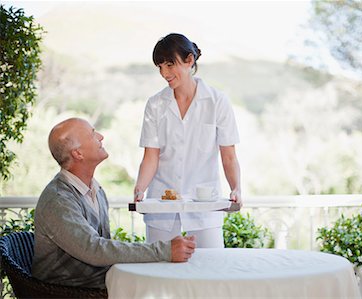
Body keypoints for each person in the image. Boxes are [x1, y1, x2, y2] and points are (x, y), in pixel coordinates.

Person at [32, 117, 196, 289]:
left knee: (168, 281)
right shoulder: (58, 200)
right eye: (92, 134)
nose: (101, 137)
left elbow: (101, 249)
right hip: (66, 291)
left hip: (99, 282)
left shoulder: (96, 189)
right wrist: (165, 251)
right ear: (78, 154)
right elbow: (94, 250)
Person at [134, 33, 241, 248]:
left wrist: (236, 187)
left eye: (170, 65)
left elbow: (228, 155)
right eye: (160, 67)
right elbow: (151, 156)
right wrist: (140, 188)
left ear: (189, 60)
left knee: (211, 269)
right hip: (162, 205)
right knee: (160, 270)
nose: (164, 73)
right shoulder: (155, 104)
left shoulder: (217, 101)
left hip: (204, 202)